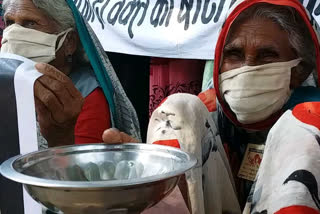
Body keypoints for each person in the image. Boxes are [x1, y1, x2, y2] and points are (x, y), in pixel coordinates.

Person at [103, 0, 320, 213]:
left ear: (299, 70)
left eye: (267, 56)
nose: (247, 69)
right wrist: (150, 173)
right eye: (234, 55)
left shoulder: (311, 119)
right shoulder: (202, 116)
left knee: (305, 127)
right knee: (178, 109)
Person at [1, 0, 140, 148]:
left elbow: (82, 168)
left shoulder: (87, 95)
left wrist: (61, 137)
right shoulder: (8, 78)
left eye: (30, 24)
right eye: (10, 23)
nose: (14, 34)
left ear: (69, 42)